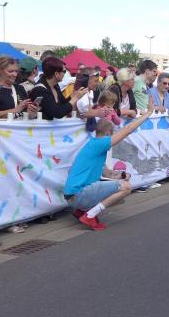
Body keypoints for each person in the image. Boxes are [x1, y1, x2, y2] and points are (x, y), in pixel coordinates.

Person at [64, 97, 156, 230]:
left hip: (72, 197)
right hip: (78, 194)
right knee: (126, 188)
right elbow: (128, 129)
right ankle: (89, 215)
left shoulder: (93, 146)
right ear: (109, 133)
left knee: (120, 190)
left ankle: (81, 211)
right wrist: (148, 113)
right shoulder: (100, 144)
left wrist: (122, 175)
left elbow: (109, 174)